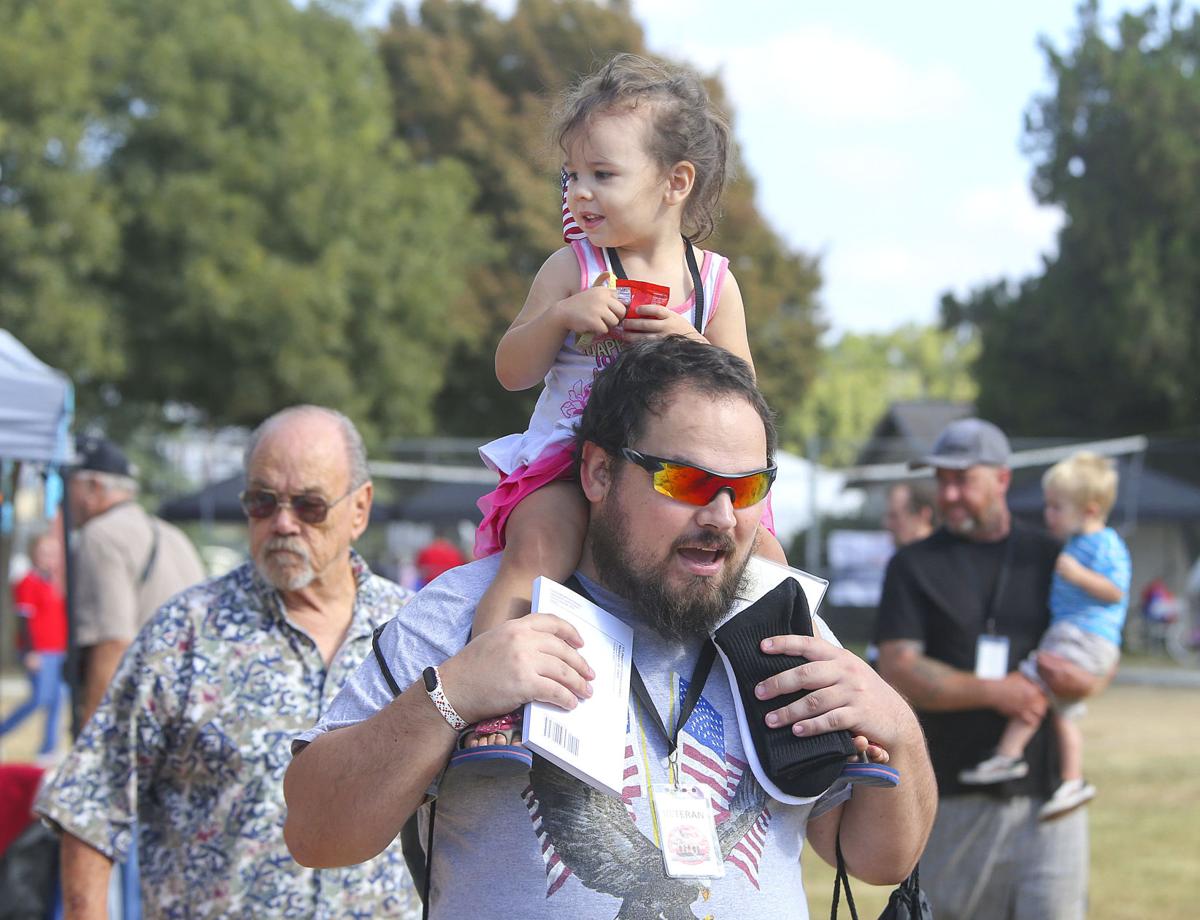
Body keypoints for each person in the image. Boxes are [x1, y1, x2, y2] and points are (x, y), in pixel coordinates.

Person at [283, 338, 936, 919]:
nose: (721, 515)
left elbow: (876, 858)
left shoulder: (786, 627)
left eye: (745, 490)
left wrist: (898, 729)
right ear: (598, 472)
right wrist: (452, 695)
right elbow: (316, 832)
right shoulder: (468, 610)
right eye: (686, 480)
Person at [36, 406, 421, 919]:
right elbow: (89, 804)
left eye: (308, 506)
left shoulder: (416, 633)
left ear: (360, 508)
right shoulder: (186, 633)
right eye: (262, 502)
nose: (283, 523)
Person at [875, 417, 1107, 920]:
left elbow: (1097, 638)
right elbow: (898, 667)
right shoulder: (912, 565)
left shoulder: (1051, 557)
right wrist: (997, 692)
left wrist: (1088, 680)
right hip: (953, 798)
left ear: (1002, 479)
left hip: (1049, 804)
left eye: (963, 479)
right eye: (942, 480)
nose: (949, 493)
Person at [959, 452, 1130, 818]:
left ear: (1089, 510)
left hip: (1083, 634)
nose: (1047, 514)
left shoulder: (1105, 544)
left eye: (1056, 507)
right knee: (1062, 712)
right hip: (1074, 632)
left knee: (1031, 680)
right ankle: (1072, 780)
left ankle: (1008, 755)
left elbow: (1117, 591)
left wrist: (1078, 576)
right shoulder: (1075, 543)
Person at [67, 434, 206, 724]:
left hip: (141, 716)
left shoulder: (100, 535)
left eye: (69, 485)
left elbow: (112, 641)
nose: (63, 498)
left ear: (93, 486)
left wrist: (92, 733)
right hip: (190, 709)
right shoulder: (171, 534)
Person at [1, 534, 68, 760]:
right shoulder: (27, 582)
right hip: (39, 651)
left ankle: (48, 748)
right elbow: (24, 619)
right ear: (34, 554)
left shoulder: (55, 583)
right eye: (44, 553)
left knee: (59, 697)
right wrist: (30, 651)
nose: (49, 558)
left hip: (58, 649)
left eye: (53, 553)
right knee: (40, 698)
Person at [882, 480, 937, 548]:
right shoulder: (895, 554)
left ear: (923, 515)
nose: (887, 524)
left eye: (894, 516)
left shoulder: (945, 554)